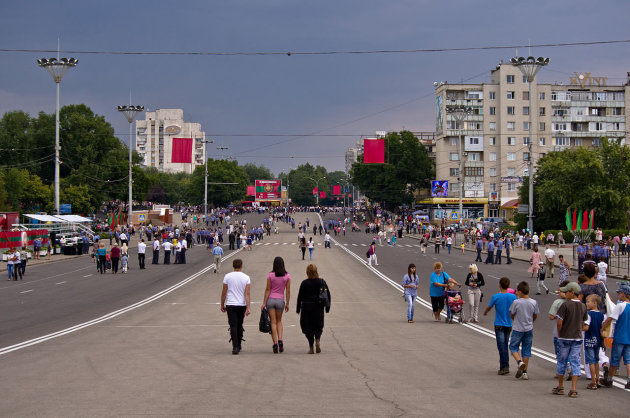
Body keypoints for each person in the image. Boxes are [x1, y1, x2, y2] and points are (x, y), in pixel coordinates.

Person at [553, 282, 588, 398]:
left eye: (566, 292)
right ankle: (574, 389)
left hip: (564, 337)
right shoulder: (583, 306)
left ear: (572, 293)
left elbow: (559, 323)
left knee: (562, 361)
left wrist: (560, 333)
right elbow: (584, 323)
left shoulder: (565, 305)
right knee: (575, 362)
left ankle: (561, 386)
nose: (564, 294)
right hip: (577, 338)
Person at [484, 277, 518, 375]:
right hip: (508, 324)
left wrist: (485, 312)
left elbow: (489, 307)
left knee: (501, 346)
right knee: (505, 345)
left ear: (499, 285)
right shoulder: (513, 297)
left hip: (499, 324)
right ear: (509, 286)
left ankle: (505, 366)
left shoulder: (496, 296)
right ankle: (503, 366)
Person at [296, 264, 330, 354]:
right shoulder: (322, 282)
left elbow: (300, 297)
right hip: (318, 307)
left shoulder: (304, 283)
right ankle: (317, 340)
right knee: (318, 326)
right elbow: (328, 295)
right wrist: (327, 307)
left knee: (307, 328)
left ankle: (311, 347)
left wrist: (298, 308)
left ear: (307, 272)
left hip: (307, 308)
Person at [602, 283, 630, 389]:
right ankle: (629, 380)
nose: (618, 295)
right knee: (628, 360)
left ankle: (609, 379)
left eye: (619, 293)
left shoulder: (620, 305)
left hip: (619, 336)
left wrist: (603, 327)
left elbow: (610, 318)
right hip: (629, 337)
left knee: (615, 359)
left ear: (623, 294)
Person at [509, 281, 539, 381]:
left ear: (520, 292)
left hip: (518, 328)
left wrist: (515, 319)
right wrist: (531, 321)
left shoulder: (516, 302)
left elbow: (512, 314)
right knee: (526, 350)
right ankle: (525, 372)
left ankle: (519, 362)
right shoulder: (533, 302)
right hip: (529, 328)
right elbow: (535, 315)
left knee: (513, 347)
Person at [220, 259, 251, 355]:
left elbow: (224, 292)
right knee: (239, 324)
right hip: (241, 304)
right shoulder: (246, 277)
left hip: (231, 304)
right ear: (241, 266)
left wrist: (222, 304)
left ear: (233, 266)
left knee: (233, 325)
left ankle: (235, 346)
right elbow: (247, 293)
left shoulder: (227, 276)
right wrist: (248, 307)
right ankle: (239, 343)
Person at [262, 257, 291, 353]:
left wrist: (264, 302)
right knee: (279, 321)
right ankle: (280, 340)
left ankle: (274, 343)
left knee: (273, 322)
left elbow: (267, 289)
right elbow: (288, 291)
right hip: (280, 300)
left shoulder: (270, 275)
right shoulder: (287, 276)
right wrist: (287, 303)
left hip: (270, 300)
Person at [584, 294, 604, 390]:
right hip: (598, 340)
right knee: (596, 361)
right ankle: (598, 379)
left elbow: (586, 327)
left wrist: (580, 326)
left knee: (591, 362)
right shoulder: (601, 315)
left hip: (589, 340)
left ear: (595, 303)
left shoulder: (588, 315)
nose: (586, 303)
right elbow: (602, 329)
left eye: (588, 302)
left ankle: (593, 382)